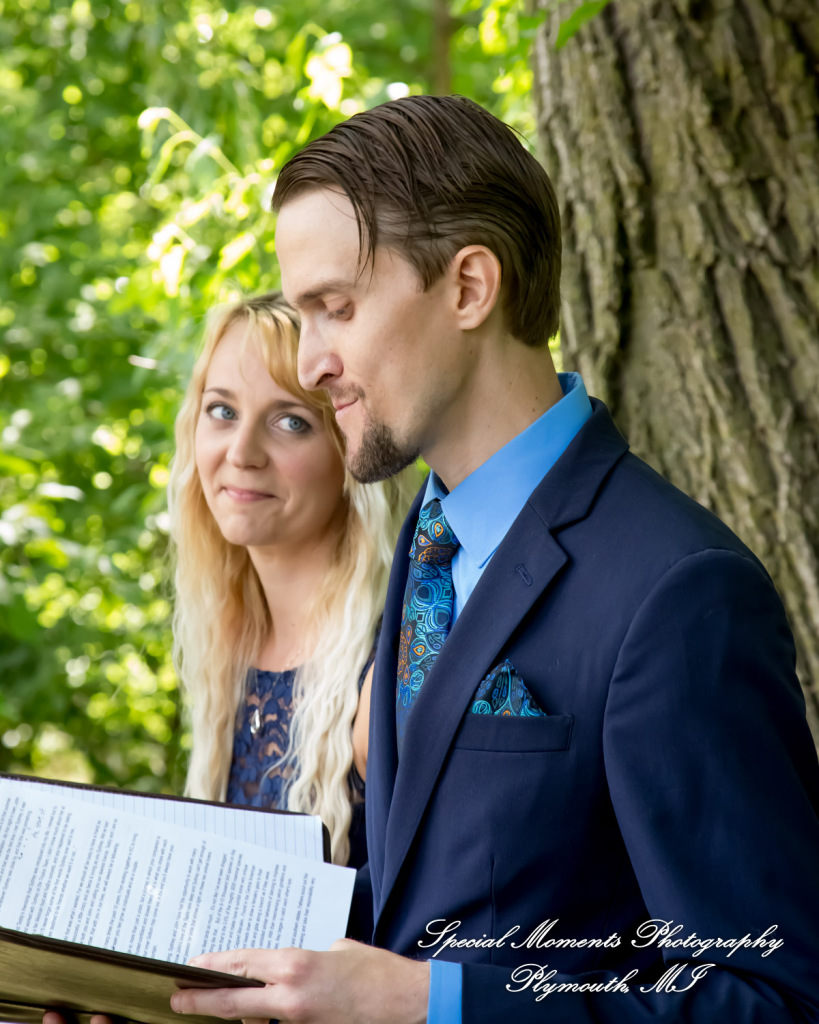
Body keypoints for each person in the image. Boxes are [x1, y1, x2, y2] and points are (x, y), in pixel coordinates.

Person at [150, 97, 817, 1021]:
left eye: (335, 308)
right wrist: (161, 979)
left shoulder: (680, 592)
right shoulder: (428, 549)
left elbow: (775, 999)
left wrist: (437, 1004)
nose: (311, 362)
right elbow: (418, 905)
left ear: (469, 288)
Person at [166, 290, 410, 878]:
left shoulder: (388, 674)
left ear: (351, 455)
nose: (242, 452)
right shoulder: (227, 640)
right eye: (222, 411)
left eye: (290, 421)